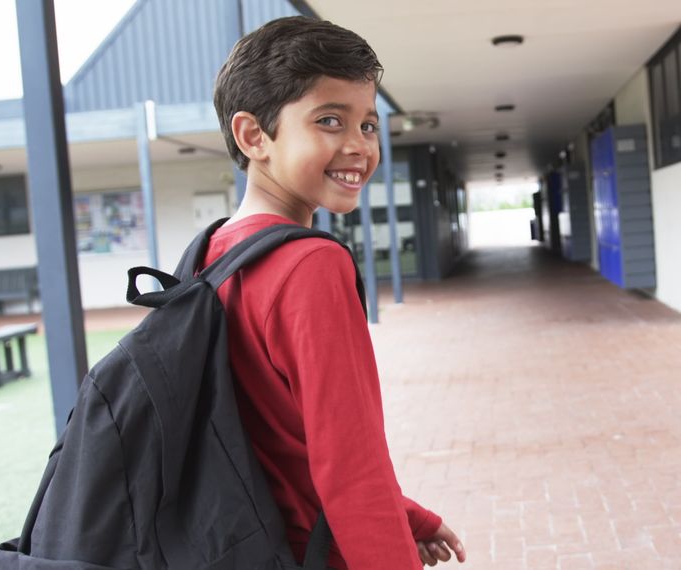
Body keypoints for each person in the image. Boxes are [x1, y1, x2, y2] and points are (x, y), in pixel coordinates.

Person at [206, 16, 465, 569]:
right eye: (329, 120)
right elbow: (351, 469)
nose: (358, 147)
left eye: (368, 125)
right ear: (254, 136)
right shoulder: (309, 264)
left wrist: (409, 516)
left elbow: (281, 438)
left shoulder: (215, 252)